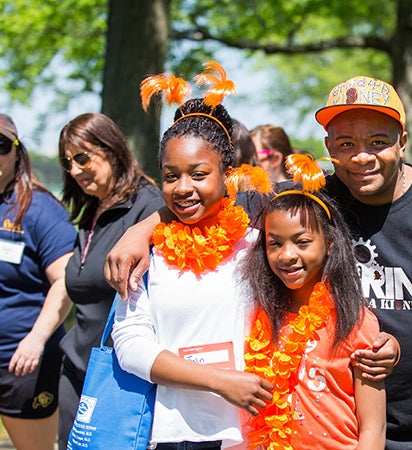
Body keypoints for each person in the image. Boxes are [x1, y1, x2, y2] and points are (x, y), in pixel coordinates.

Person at [106, 75, 412, 449]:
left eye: (378, 142)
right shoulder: (311, 199)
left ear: (403, 140)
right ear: (329, 148)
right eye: (346, 144)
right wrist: (142, 228)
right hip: (347, 425)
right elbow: (208, 192)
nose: (361, 157)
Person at [112, 63, 274, 449]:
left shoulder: (260, 247)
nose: (183, 188)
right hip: (170, 435)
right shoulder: (146, 254)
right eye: (171, 176)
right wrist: (220, 381)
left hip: (249, 433)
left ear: (226, 173)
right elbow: (130, 345)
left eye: (198, 174)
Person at [241, 158, 385, 449]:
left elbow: (374, 427)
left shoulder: (356, 321)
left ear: (330, 243)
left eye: (302, 242)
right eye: (275, 243)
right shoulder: (255, 316)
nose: (287, 255)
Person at [56, 113, 164, 449]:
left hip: (122, 379)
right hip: (75, 371)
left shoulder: (149, 208)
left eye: (83, 157)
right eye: (68, 161)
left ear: (112, 150)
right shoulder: (90, 213)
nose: (75, 170)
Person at [0, 113, 76, 450]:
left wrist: (36, 339)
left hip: (22, 363)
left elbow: (64, 281)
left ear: (18, 152)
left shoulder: (40, 209)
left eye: (1, 145)